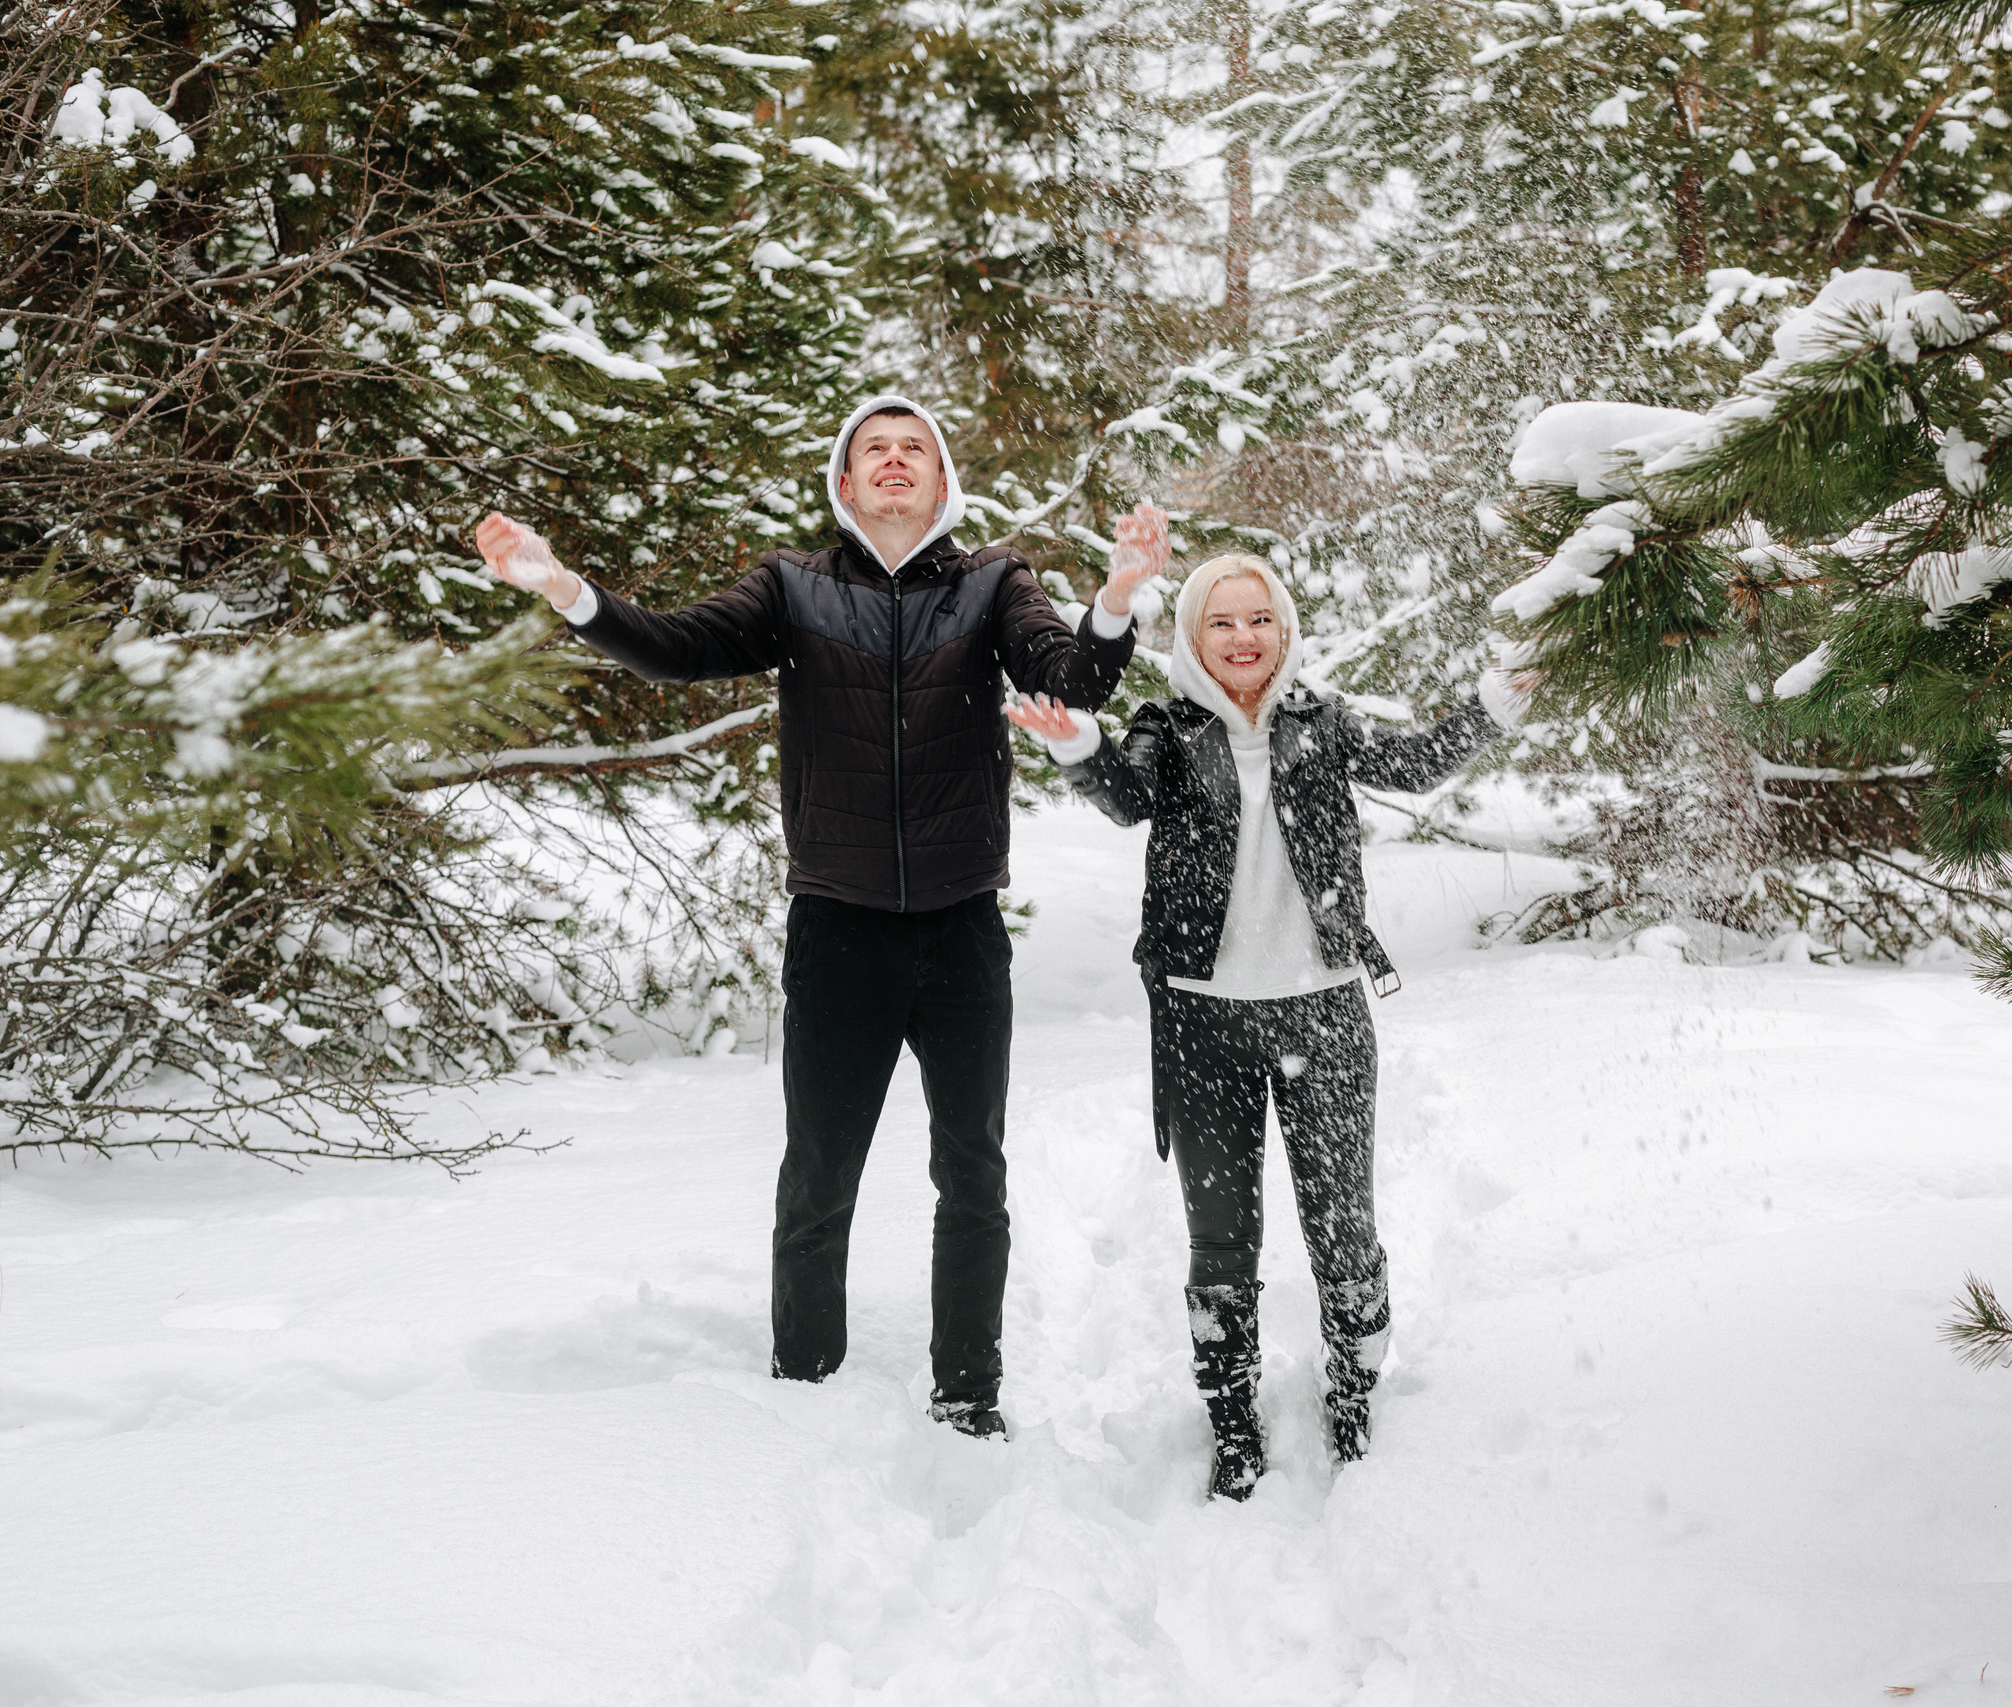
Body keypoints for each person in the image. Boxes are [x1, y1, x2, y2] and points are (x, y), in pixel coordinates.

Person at [473, 395, 1167, 1438]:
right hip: (837, 933)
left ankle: (968, 1398)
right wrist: (565, 590)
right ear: (844, 487)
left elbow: (1073, 679)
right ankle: (803, 1393)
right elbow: (674, 651)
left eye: (915, 450)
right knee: (817, 1178)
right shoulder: (791, 586)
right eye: (873, 452)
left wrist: (1114, 598)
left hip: (961, 930)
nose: (894, 463)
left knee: (971, 1174)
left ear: (942, 482)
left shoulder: (993, 585)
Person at [1007, 551, 1529, 1498]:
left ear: (1283, 632)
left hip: (1324, 1013)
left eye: (1259, 621)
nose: (1242, 638)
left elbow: (1413, 764)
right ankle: (1234, 1421)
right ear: (1194, 639)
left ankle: (1355, 1397)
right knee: (1221, 1244)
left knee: (1344, 1231)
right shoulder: (1167, 730)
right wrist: (1079, 748)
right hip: (1205, 1026)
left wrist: (1495, 702)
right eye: (1221, 622)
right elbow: (1126, 800)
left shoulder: (1320, 725)